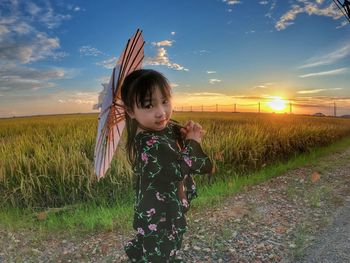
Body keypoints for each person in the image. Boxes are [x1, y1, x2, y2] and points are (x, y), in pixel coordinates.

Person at [121, 69, 213, 262]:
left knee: (155, 243)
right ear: (130, 111)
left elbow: (170, 134)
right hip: (160, 210)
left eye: (165, 101)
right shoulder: (149, 144)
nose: (161, 112)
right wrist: (193, 142)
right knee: (161, 245)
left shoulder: (159, 128)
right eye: (148, 105)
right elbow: (179, 169)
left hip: (158, 204)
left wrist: (183, 133)